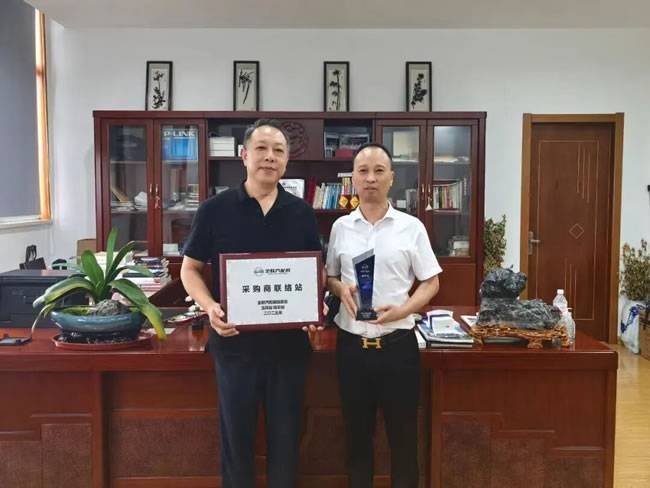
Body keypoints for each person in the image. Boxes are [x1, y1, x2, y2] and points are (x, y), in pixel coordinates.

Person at [180, 119, 322, 488]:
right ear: (244, 155)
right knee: (237, 446)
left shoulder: (301, 212)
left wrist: (314, 309)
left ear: (286, 161)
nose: (269, 157)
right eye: (261, 148)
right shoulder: (214, 209)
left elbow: (314, 273)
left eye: (278, 151)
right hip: (234, 349)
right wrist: (210, 307)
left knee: (286, 445)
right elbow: (189, 269)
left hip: (289, 351)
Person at [326, 143, 441, 488]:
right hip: (352, 348)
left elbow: (431, 282)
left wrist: (403, 310)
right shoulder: (341, 227)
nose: (371, 178)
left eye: (379, 171)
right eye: (363, 171)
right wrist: (339, 289)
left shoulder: (411, 227)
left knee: (403, 440)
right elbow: (330, 276)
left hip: (398, 346)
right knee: (357, 440)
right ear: (353, 179)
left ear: (391, 177)